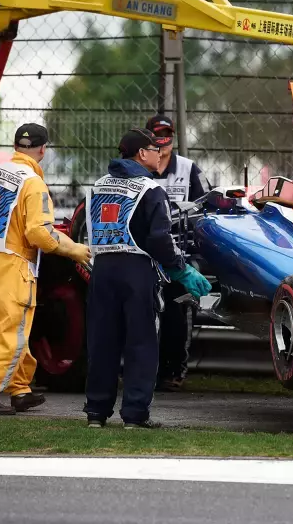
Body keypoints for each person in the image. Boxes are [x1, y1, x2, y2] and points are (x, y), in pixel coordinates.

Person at [83, 128, 212, 429]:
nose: (160, 154)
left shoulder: (100, 185)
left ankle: (96, 413)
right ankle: (135, 415)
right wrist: (181, 269)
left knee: (102, 342)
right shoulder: (150, 189)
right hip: (136, 271)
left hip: (101, 270)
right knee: (141, 343)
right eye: (155, 149)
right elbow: (159, 239)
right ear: (142, 154)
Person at [0, 123, 92, 415]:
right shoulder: (33, 183)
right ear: (43, 149)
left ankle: (20, 389)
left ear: (16, 146)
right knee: (12, 332)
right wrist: (74, 249)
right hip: (15, 265)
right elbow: (40, 235)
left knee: (3, 329)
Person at [144, 114, 210, 392]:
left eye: (167, 136)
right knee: (144, 312)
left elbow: (206, 210)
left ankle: (173, 371)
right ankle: (146, 369)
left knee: (178, 311)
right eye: (157, 137)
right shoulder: (138, 169)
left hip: (181, 255)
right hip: (144, 253)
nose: (163, 142)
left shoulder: (190, 169)